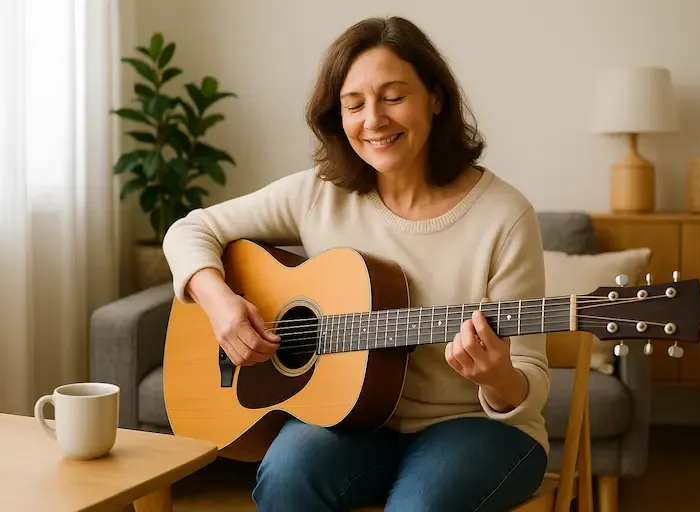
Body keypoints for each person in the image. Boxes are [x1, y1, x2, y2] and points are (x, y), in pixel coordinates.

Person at [163, 15, 550, 512]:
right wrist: (219, 302)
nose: (373, 120)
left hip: (476, 430)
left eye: (393, 97)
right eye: (354, 104)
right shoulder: (318, 193)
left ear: (436, 98)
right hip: (353, 421)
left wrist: (497, 379)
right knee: (285, 477)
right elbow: (189, 229)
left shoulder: (505, 215)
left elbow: (530, 378)